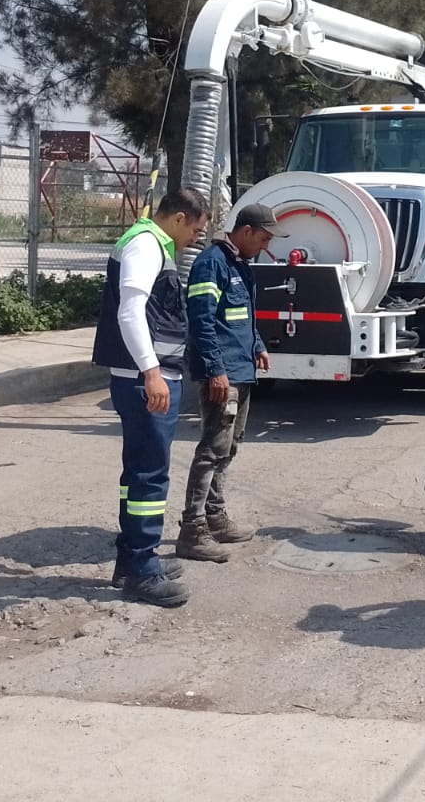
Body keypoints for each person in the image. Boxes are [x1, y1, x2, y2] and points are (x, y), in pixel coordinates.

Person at [92, 187, 209, 608]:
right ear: (178, 218)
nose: (197, 236)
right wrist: (152, 371)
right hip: (145, 379)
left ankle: (133, 558)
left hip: (146, 375)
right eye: (196, 228)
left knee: (139, 473)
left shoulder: (150, 241)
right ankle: (142, 570)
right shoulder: (146, 246)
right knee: (149, 476)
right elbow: (131, 310)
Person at [177, 203, 285, 562]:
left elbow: (242, 316)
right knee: (212, 449)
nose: (266, 246)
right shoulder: (211, 263)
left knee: (229, 446)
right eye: (264, 238)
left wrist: (257, 344)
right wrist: (214, 369)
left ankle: (216, 518)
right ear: (247, 231)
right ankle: (192, 531)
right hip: (223, 372)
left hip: (241, 368)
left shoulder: (239, 265)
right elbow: (201, 319)